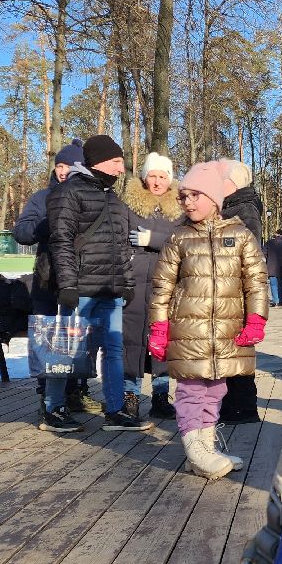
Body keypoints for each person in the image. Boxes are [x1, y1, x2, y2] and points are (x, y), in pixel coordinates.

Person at [148, 159, 269, 479]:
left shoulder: (241, 235)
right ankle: (194, 447)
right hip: (188, 329)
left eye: (194, 195)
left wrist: (256, 318)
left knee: (216, 388)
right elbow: (162, 286)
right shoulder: (179, 238)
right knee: (190, 389)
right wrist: (159, 326)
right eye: (183, 196)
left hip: (226, 330)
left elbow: (256, 280)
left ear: (214, 197)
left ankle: (204, 445)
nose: (187, 202)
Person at [43, 134, 146, 433]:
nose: (120, 168)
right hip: (80, 288)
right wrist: (67, 285)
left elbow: (121, 247)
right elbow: (60, 241)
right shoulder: (68, 193)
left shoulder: (112, 198)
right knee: (67, 348)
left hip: (109, 290)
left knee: (113, 350)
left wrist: (126, 282)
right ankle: (54, 408)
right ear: (98, 160)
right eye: (116, 162)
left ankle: (115, 410)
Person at [13, 141, 99, 418]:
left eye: (69, 167)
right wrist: (49, 223)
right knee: (47, 336)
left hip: (80, 276)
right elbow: (22, 233)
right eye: (59, 166)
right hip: (47, 277)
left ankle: (77, 390)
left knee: (78, 334)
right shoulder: (41, 198)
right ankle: (47, 395)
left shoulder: (89, 196)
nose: (63, 172)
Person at [123, 152, 182, 420]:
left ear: (170, 180)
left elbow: (185, 241)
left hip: (166, 284)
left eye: (162, 176)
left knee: (163, 342)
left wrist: (155, 239)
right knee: (131, 342)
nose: (157, 181)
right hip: (133, 283)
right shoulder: (129, 206)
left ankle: (160, 396)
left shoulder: (180, 209)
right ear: (144, 177)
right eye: (152, 175)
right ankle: (130, 397)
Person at [216, 163, 267, 424]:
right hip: (228, 290)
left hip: (235, 291)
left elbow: (246, 253)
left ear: (232, 183)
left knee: (238, 352)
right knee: (232, 351)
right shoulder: (232, 206)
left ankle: (242, 408)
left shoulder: (243, 209)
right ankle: (235, 406)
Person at [265, 228, 282, 307]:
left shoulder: (269, 243)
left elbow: (264, 254)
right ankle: (280, 300)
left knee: (273, 284)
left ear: (276, 234)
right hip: (281, 268)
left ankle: (275, 301)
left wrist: (266, 262)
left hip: (271, 267)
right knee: (280, 284)